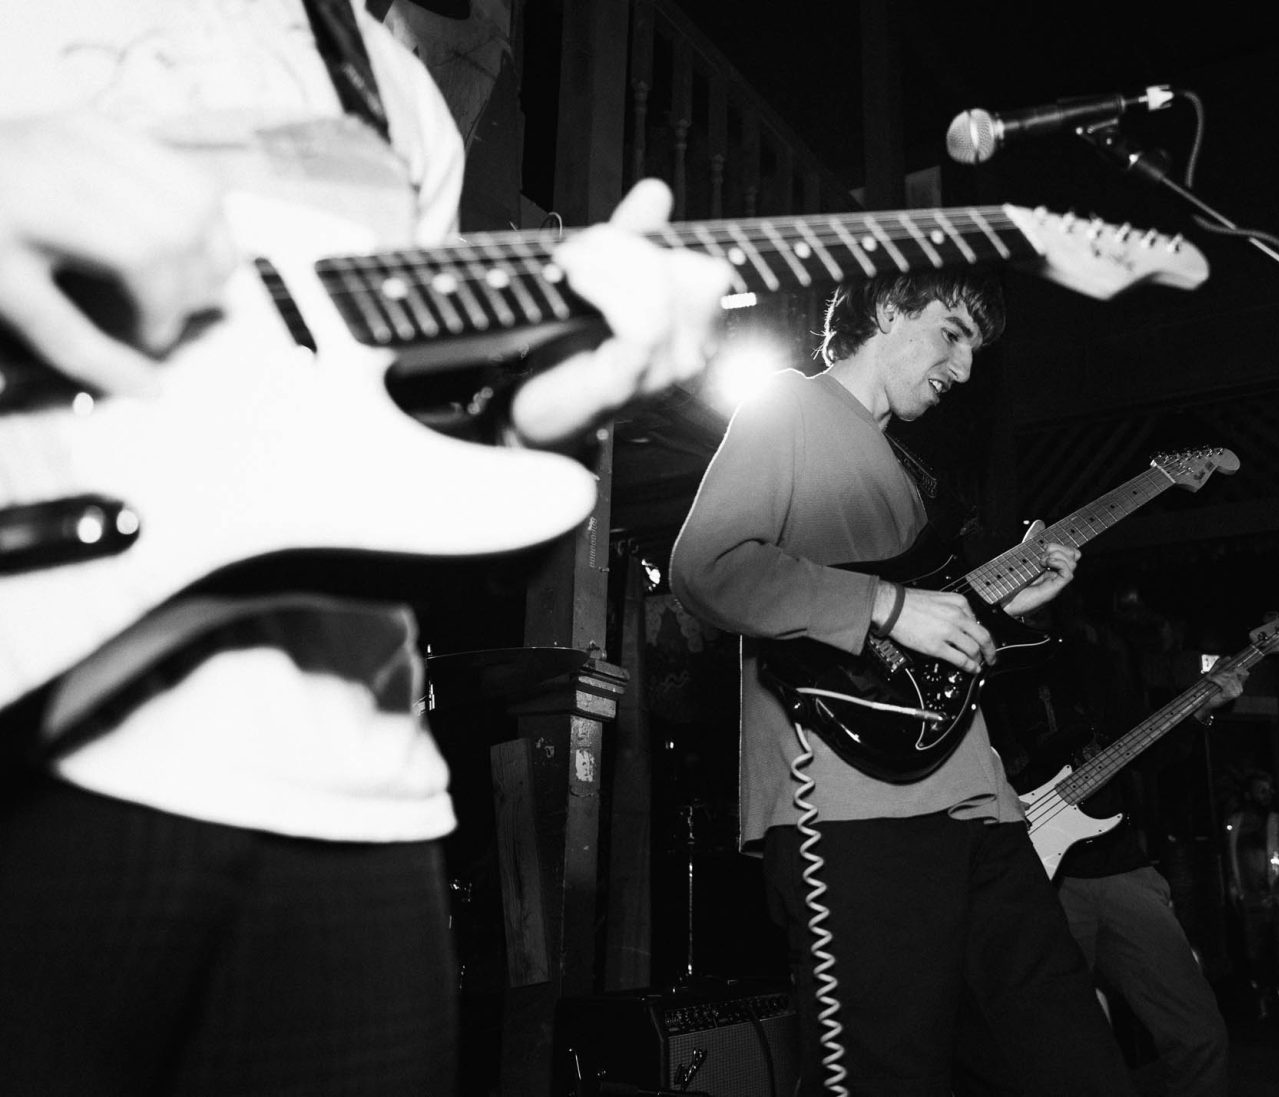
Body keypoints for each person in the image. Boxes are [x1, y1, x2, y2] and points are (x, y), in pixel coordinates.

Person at [0, 3, 729, 1094]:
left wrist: (534, 412)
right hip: (46, 726)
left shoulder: (391, 85)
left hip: (353, 798)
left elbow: (360, 423)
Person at [669, 269, 1135, 1095]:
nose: (962, 369)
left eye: (974, 352)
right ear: (886, 309)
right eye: (951, 333)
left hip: (979, 802)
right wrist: (886, 606)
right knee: (890, 1073)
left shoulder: (912, 474)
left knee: (1074, 1056)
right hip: (852, 809)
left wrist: (1006, 601)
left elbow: (930, 622)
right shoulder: (790, 405)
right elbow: (708, 569)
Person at [987, 587, 1243, 1097]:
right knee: (1055, 1051)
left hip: (1122, 865)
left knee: (1199, 1035)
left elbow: (1148, 750)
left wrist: (1199, 711)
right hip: (1042, 883)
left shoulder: (1096, 658)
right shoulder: (982, 668)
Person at [1225, 770, 1279, 1029]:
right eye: (1261, 790)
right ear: (1248, 794)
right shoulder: (1234, 824)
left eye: (1269, 790)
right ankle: (1263, 1004)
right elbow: (1231, 861)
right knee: (1255, 956)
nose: (1267, 795)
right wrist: (1235, 890)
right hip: (1251, 901)